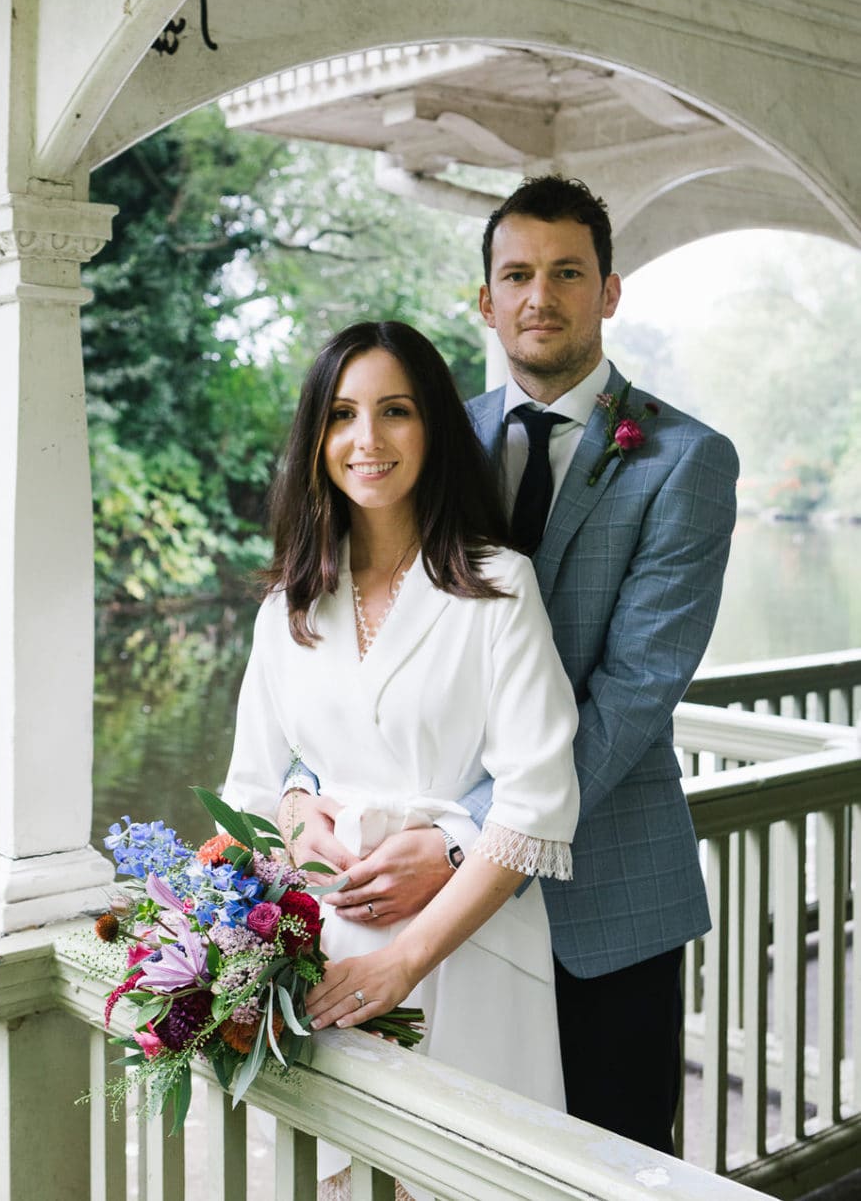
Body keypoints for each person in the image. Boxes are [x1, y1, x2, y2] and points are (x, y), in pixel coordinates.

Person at [288, 177, 739, 1156]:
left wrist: (465, 845)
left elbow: (632, 692)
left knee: (613, 1167)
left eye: (568, 272)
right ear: (483, 300)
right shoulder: (431, 436)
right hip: (440, 925)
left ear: (609, 292)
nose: (542, 296)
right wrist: (300, 787)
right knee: (458, 1159)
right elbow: (357, 633)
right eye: (518, 274)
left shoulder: (686, 461)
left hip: (605, 902)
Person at [222, 320, 580, 1199]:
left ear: (434, 430)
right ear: (316, 439)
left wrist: (405, 961)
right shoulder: (287, 607)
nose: (367, 440)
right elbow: (249, 789)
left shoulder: (498, 588)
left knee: (468, 1178)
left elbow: (536, 804)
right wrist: (292, 826)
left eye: (396, 411)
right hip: (322, 960)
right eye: (342, 414)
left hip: (466, 945)